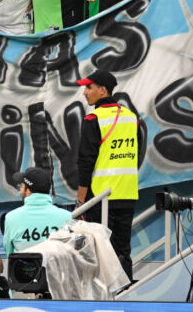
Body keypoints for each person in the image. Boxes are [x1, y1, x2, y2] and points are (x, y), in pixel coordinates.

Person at [74, 69, 139, 280]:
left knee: (101, 251)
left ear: (103, 90)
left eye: (89, 87)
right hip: (127, 194)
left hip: (101, 197)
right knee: (123, 251)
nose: (84, 92)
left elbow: (86, 161)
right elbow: (135, 157)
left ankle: (104, 301)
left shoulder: (94, 118)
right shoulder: (131, 117)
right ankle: (126, 296)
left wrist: (81, 200)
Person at [2, 166, 72, 254]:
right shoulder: (67, 217)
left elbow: (10, 253)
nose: (21, 189)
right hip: (57, 267)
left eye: (22, 186)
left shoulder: (11, 218)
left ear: (28, 191)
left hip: (23, 267)